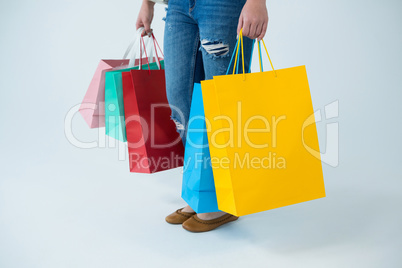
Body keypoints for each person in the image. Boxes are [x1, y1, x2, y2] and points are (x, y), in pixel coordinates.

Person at [136, 0, 268, 232]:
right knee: (180, 100)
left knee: (223, 104)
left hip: (224, 5)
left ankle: (221, 200)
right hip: (178, 5)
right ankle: (200, 193)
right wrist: (148, 3)